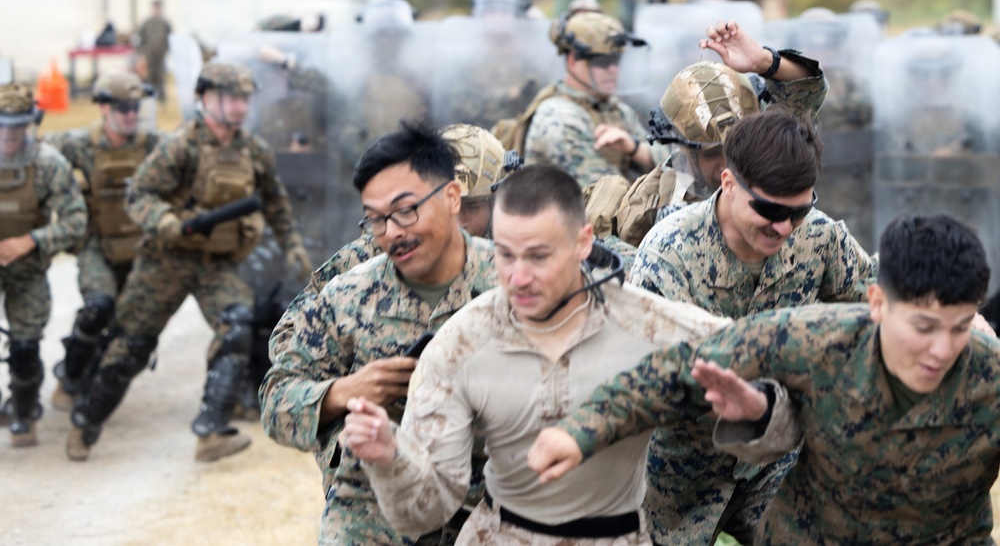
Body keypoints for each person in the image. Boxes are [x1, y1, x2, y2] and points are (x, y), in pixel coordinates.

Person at [339, 164, 795, 545]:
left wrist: (758, 412)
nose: (517, 277)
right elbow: (426, 510)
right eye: (505, 255)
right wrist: (390, 457)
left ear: (583, 242)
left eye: (538, 256)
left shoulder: (650, 325)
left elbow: (783, 386)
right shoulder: (461, 343)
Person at [528, 214, 1000, 545]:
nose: (942, 350)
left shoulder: (989, 375)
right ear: (876, 304)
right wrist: (580, 431)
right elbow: (681, 370)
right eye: (923, 328)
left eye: (959, 328)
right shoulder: (818, 340)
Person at [630, 108, 879, 545]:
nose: (783, 226)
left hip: (776, 465)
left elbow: (873, 297)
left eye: (799, 210)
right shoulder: (669, 252)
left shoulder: (817, 237)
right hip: (681, 475)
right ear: (728, 183)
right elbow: (658, 372)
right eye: (767, 208)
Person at [260, 122, 498, 546]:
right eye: (376, 220)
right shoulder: (349, 294)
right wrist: (343, 392)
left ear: (452, 198)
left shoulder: (515, 281)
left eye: (406, 211)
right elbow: (277, 399)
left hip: (492, 498)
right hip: (374, 501)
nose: (391, 232)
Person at [66, 62, 312, 463]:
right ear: (205, 99)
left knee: (236, 325)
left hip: (216, 263)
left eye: (244, 98)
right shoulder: (180, 146)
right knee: (130, 347)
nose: (238, 107)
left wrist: (293, 245)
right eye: (230, 97)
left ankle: (211, 430)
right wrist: (166, 223)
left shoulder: (253, 150)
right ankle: (85, 421)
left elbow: (275, 202)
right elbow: (140, 194)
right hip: (166, 260)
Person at [613, 19, 827, 246]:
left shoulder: (764, 149)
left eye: (738, 145)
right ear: (686, 149)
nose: (729, 162)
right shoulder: (655, 208)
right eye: (713, 152)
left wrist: (764, 62)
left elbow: (806, 89)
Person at [46, 72, 162, 410]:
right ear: (104, 108)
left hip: (141, 247)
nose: (130, 114)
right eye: (123, 107)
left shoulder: (154, 144)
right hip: (97, 243)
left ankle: (100, 383)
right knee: (98, 307)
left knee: (131, 323)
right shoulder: (78, 143)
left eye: (135, 107)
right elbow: (32, 153)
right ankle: (70, 376)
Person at [0, 83, 87, 446]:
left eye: (17, 127)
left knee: (25, 347)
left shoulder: (48, 163)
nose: (9, 135)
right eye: (3, 126)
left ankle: (24, 413)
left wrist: (31, 240)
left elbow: (76, 220)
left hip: (27, 269)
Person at [522, 11, 670, 187]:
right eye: (602, 62)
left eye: (616, 60)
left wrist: (634, 149)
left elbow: (671, 163)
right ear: (572, 62)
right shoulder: (559, 118)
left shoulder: (614, 109)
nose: (613, 69)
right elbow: (605, 196)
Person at [136, 0, 172, 103]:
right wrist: (142, 53)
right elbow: (140, 39)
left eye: (158, 7)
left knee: (160, 76)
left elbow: (170, 38)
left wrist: (166, 50)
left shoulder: (165, 23)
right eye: (155, 7)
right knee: (149, 76)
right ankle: (149, 98)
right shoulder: (146, 23)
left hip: (161, 54)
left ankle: (161, 98)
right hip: (149, 54)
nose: (156, 10)